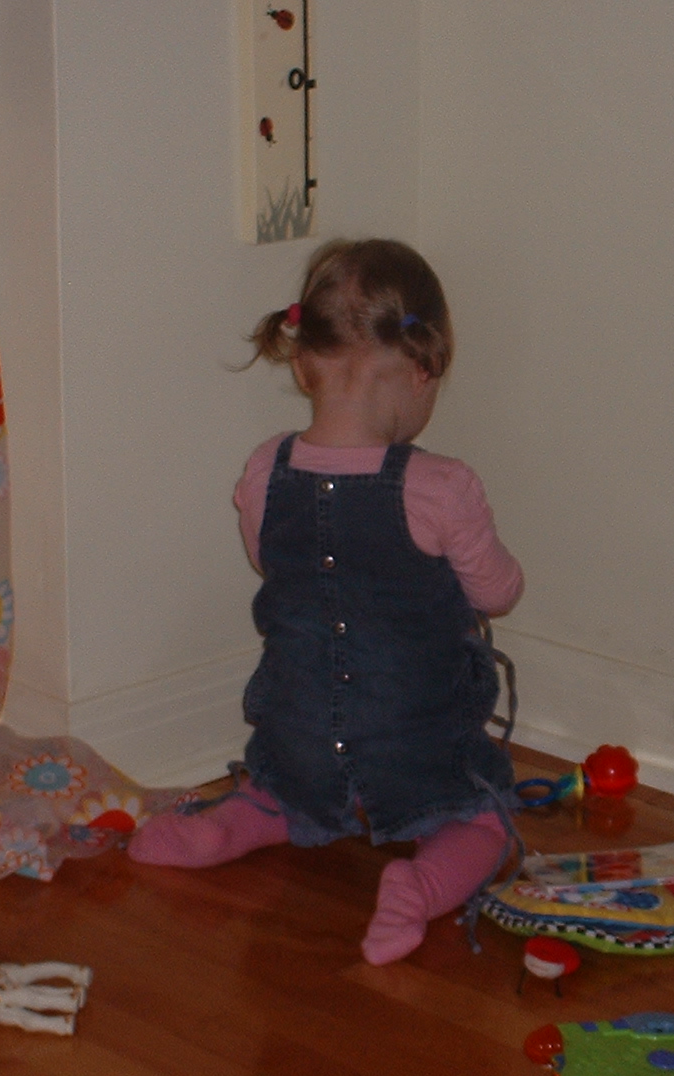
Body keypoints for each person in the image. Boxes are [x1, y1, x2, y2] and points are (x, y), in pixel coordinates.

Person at [128, 238, 524, 965]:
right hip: (415, 747)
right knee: (487, 821)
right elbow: (498, 592)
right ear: (424, 367)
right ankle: (421, 885)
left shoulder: (265, 469)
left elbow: (269, 560)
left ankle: (226, 826)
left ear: (304, 362)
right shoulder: (441, 486)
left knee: (279, 790)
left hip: (300, 738)